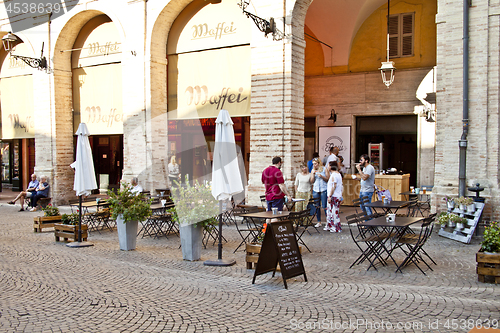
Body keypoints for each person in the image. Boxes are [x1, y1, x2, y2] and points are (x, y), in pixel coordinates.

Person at [310, 157, 330, 228]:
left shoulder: (324, 169)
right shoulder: (313, 170)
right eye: (313, 164)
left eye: (315, 164)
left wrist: (321, 176)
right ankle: (319, 221)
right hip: (316, 189)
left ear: (319, 163)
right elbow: (312, 181)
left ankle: (328, 221)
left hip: (323, 189)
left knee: (324, 206)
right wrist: (312, 174)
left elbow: (328, 179)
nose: (314, 165)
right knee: (317, 206)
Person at [326, 161, 343, 232]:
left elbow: (334, 186)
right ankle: (330, 226)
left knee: (333, 212)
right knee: (331, 211)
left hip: (334, 196)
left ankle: (335, 227)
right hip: (337, 195)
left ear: (330, 167)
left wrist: (330, 196)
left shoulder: (334, 175)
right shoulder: (338, 174)